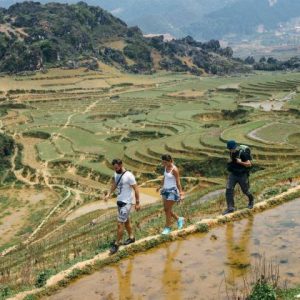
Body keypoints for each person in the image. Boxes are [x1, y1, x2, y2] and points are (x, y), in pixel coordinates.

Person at [105, 159, 140, 254]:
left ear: (121, 165)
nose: (115, 169)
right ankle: (132, 238)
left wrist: (137, 203)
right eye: (114, 168)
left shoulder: (129, 176)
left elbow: (136, 189)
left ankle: (117, 244)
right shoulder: (116, 173)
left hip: (126, 203)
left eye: (116, 167)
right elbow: (114, 184)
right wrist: (108, 194)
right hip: (120, 202)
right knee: (126, 222)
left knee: (120, 223)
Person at [223, 140, 254, 215]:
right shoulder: (231, 152)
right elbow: (232, 159)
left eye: (232, 149)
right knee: (229, 189)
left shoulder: (242, 153)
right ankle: (230, 208)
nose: (231, 150)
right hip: (233, 174)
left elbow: (249, 164)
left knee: (245, 191)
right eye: (230, 149)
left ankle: (251, 200)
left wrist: (240, 162)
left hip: (242, 175)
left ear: (235, 147)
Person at [158, 154, 185, 234]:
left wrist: (181, 193)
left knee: (167, 209)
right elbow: (164, 177)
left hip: (172, 191)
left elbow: (178, 182)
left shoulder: (174, 169)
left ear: (170, 161)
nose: (163, 164)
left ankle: (168, 228)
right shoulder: (166, 167)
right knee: (166, 209)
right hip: (165, 190)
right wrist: (160, 186)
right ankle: (179, 219)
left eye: (165, 162)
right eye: (163, 162)